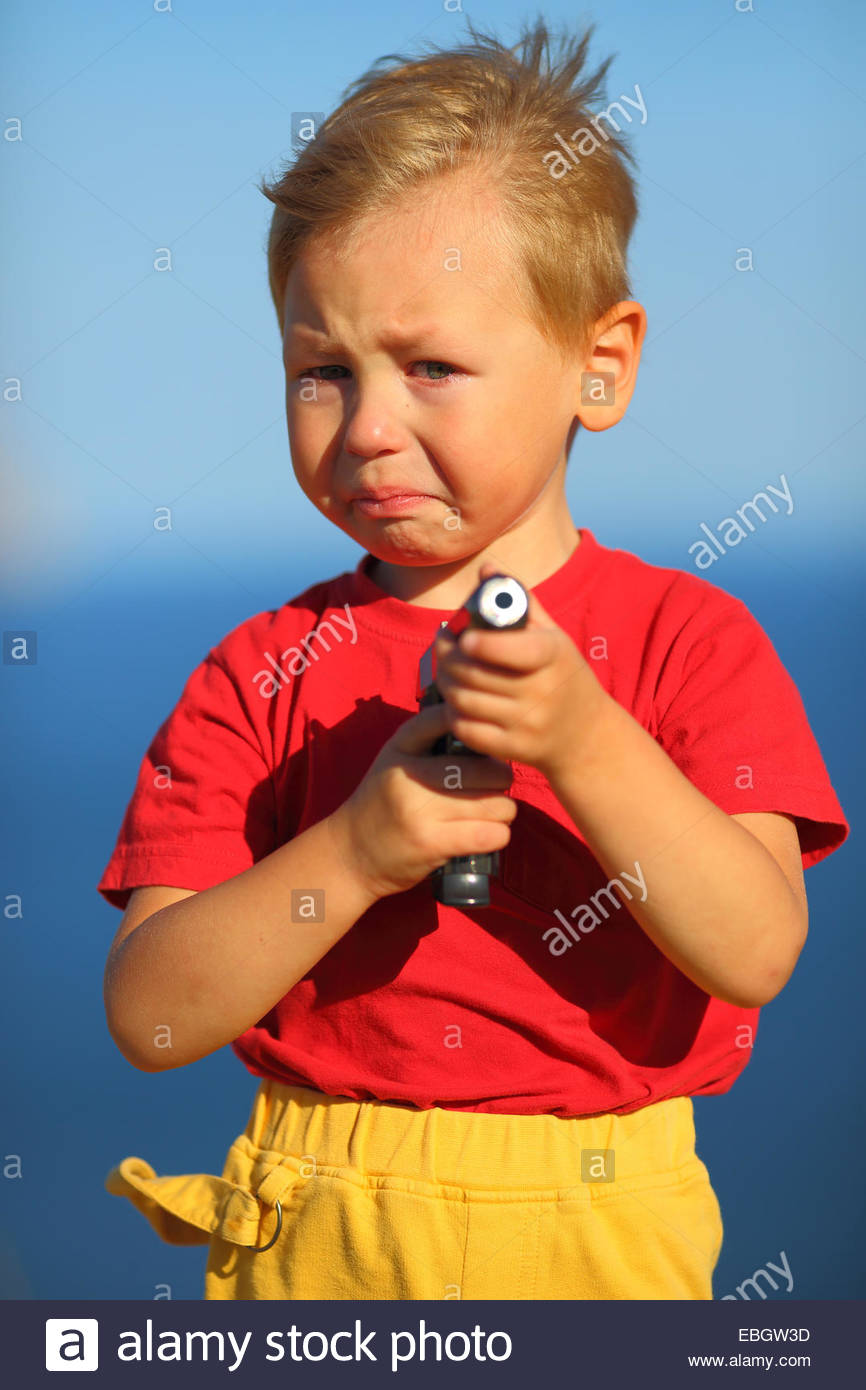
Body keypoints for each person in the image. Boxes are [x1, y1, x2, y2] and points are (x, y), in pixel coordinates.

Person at [99, 18, 848, 1301]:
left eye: (431, 365)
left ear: (597, 367)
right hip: (312, 1237)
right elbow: (151, 1016)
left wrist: (584, 740)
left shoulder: (689, 645)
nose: (369, 425)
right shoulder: (256, 673)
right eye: (322, 370)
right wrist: (351, 853)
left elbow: (755, 947)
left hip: (600, 1233)